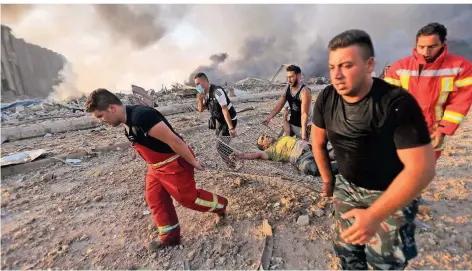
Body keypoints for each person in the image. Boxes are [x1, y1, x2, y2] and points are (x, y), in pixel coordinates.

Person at [312, 29, 436, 270]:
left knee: (384, 262)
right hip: (347, 188)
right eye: (332, 67)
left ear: (369, 65)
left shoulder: (397, 104)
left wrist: (374, 215)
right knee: (347, 253)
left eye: (347, 65)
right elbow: (317, 141)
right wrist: (328, 180)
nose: (336, 75)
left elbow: (422, 169)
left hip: (390, 191)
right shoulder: (327, 98)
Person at [84, 89, 228, 249]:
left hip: (173, 164)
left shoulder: (142, 117)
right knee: (155, 198)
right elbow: (142, 139)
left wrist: (193, 162)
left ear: (111, 108)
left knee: (188, 199)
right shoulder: (127, 119)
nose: (100, 121)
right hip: (155, 167)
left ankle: (220, 205)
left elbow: (175, 141)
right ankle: (170, 237)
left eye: (100, 116)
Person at [384, 22, 472, 161]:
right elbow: (385, 101)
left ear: (443, 43)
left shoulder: (460, 67)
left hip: (432, 134)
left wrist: (443, 130)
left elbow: (459, 103)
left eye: (432, 47)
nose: (425, 52)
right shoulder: (399, 68)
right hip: (400, 133)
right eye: (421, 47)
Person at [231, 110, 338, 177]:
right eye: (263, 139)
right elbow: (256, 154)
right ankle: (341, 167)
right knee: (313, 169)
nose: (266, 136)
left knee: (335, 151)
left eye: (264, 135)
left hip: (312, 148)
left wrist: (284, 116)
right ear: (264, 146)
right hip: (301, 158)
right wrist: (239, 155)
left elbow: (286, 129)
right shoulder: (269, 152)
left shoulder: (281, 138)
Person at [195, 72, 238, 167]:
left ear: (206, 82)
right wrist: (200, 99)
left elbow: (225, 109)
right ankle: (234, 160)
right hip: (219, 122)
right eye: (196, 85)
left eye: (198, 84)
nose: (197, 86)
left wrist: (231, 128)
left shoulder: (217, 91)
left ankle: (234, 166)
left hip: (229, 120)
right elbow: (200, 109)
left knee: (220, 147)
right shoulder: (204, 94)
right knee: (223, 144)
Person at [263, 65, 312, 140]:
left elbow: (304, 115)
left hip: (303, 126)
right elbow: (279, 105)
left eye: (291, 77)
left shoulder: (304, 92)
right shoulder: (286, 90)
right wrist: (269, 117)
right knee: (280, 142)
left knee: (301, 149)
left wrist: (303, 134)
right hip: (292, 122)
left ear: (298, 76)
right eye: (288, 77)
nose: (289, 80)